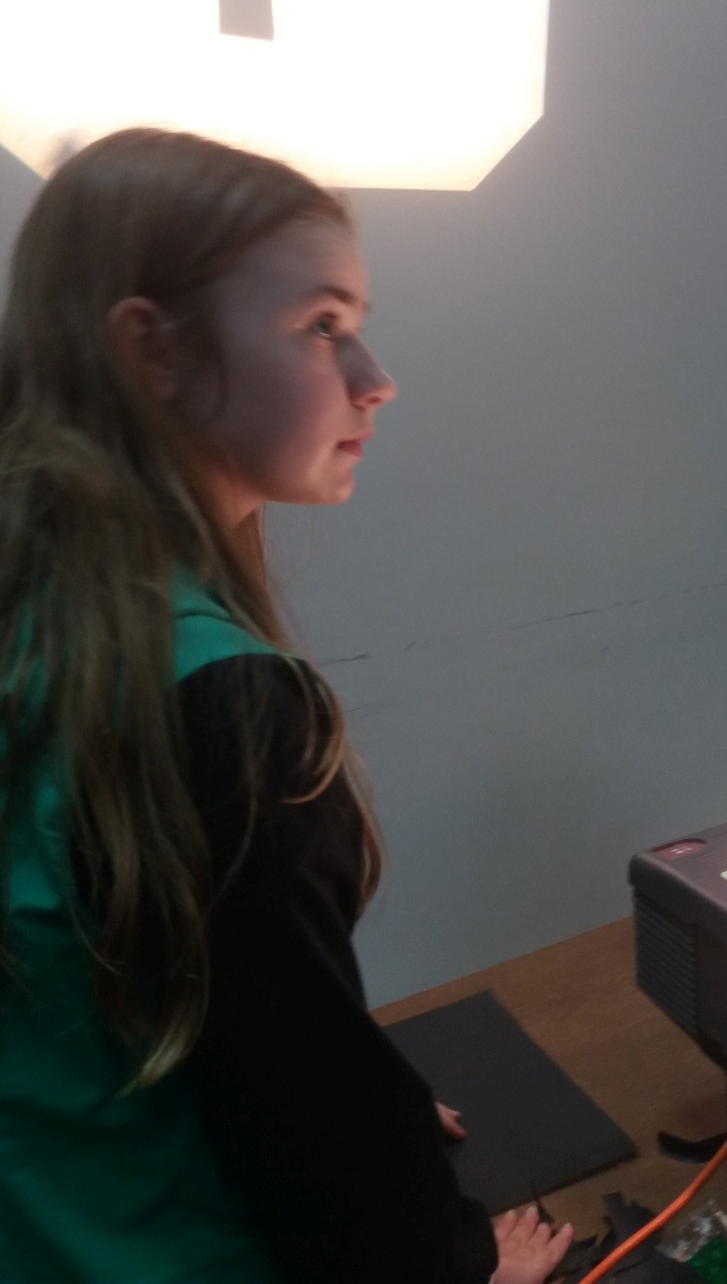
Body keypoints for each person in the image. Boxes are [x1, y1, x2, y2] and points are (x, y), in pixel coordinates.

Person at [0, 129, 573, 1284]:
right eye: (321, 325)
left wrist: (357, 1094)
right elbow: (339, 1187)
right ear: (154, 348)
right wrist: (464, 1258)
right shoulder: (219, 706)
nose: (376, 376)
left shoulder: (38, 613)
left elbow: (226, 1025)